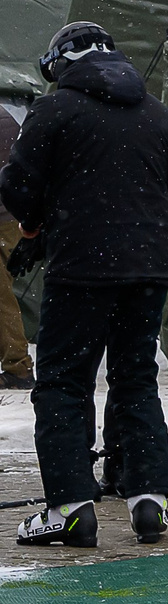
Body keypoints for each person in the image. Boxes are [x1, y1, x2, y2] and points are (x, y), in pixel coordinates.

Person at [1, 21, 168, 547]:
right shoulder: (157, 112)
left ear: (61, 63)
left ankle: (71, 507)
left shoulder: (55, 109)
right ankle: (149, 498)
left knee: (62, 382)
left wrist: (36, 220)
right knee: (134, 379)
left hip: (81, 266)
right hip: (149, 267)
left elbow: (18, 184)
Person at [0, 101, 32, 390]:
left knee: (1, 298)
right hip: (12, 218)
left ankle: (18, 367)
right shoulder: (9, 116)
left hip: (3, 219)